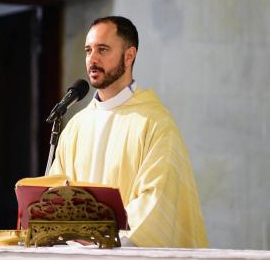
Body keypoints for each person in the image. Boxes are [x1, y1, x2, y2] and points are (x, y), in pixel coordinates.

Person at [48, 16, 208, 248]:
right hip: (77, 254)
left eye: (102, 50)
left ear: (129, 55)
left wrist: (100, 237)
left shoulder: (155, 122)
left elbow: (156, 199)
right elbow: (57, 192)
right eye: (88, 50)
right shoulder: (76, 126)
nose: (92, 59)